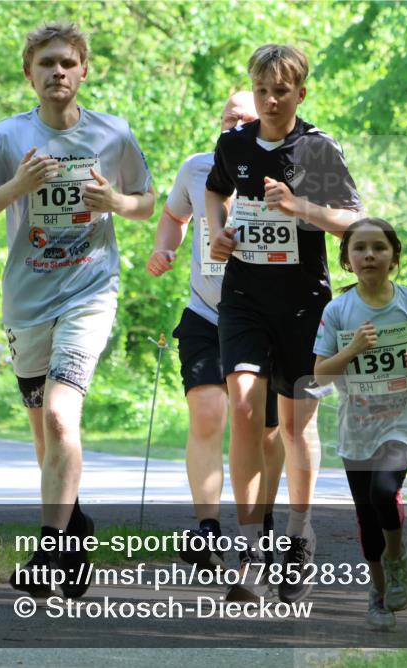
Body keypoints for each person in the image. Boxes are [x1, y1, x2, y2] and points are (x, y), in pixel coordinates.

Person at [0, 22, 154, 599]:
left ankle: (50, 550)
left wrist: (114, 200)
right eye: (46, 64)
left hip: (89, 291)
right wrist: (16, 187)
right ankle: (75, 527)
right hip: (27, 299)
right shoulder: (5, 139)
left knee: (63, 416)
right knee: (47, 435)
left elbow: (145, 203)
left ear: (84, 69)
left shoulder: (113, 135)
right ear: (29, 74)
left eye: (68, 62)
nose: (57, 72)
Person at [206, 44, 363, 603]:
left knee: (296, 427)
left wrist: (301, 209)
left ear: (300, 92)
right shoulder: (234, 143)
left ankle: (298, 534)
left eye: (281, 91)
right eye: (262, 90)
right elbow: (215, 188)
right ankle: (249, 545)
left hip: (305, 304)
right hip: (245, 296)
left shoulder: (317, 148)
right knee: (245, 408)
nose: (270, 101)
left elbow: (354, 223)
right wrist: (217, 231)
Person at [146, 91, 285, 574]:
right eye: (229, 116)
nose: (235, 124)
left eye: (245, 118)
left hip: (265, 318)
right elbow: (173, 217)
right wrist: (165, 249)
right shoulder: (196, 169)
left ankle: (260, 523)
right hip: (206, 313)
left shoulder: (281, 167)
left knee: (265, 430)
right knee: (207, 414)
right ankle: (206, 528)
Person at [314, 218, 407, 631]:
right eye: (360, 248)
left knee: (384, 490)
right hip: (355, 428)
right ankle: (378, 593)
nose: (369, 255)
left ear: (393, 257)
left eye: (378, 247)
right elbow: (320, 374)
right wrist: (354, 348)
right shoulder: (338, 310)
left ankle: (396, 560)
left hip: (399, 421)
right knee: (367, 515)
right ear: (347, 259)